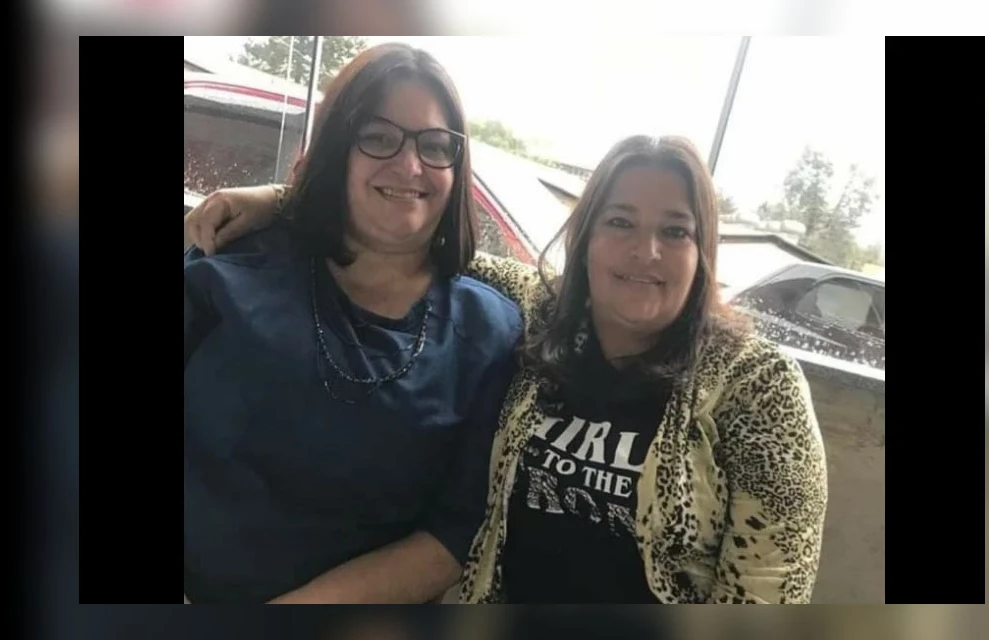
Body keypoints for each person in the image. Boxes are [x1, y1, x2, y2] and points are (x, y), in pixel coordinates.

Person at [187, 134, 829, 603]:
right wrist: (281, 200)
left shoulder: (756, 386)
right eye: (620, 222)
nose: (646, 251)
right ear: (584, 239)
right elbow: (410, 235)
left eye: (676, 231)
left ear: (704, 250)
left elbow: (771, 591)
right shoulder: (536, 317)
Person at [182, 43, 522, 603]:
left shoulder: (491, 332)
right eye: (379, 136)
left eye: (436, 145)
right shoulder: (232, 259)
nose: (410, 165)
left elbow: (451, 535)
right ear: (339, 146)